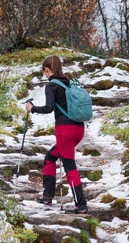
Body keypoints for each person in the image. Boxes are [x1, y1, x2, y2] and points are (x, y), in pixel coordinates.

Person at [25, 55, 88, 214]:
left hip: (65, 131)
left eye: (45, 71)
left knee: (69, 166)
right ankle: (47, 196)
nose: (45, 74)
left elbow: (49, 108)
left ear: (47, 70)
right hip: (79, 129)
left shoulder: (51, 85)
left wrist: (32, 108)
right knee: (50, 158)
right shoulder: (71, 82)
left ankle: (81, 205)